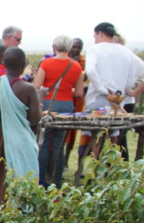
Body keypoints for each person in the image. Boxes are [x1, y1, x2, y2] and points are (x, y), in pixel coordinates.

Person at [0, 47, 41, 208]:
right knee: (15, 177)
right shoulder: (27, 88)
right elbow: (34, 119)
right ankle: (13, 212)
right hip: (19, 141)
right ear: (24, 64)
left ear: (3, 63)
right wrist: (40, 99)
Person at [82, 23, 144, 158]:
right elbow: (130, 81)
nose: (95, 39)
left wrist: (102, 88)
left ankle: (97, 173)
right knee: (113, 137)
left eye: (95, 36)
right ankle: (112, 171)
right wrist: (122, 89)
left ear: (101, 33)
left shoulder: (95, 49)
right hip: (117, 101)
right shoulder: (126, 51)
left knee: (96, 135)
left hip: (97, 98)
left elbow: (90, 70)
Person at [33, 35, 84, 188]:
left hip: (48, 104)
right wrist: (67, 88)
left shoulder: (46, 63)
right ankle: (57, 180)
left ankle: (41, 179)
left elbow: (37, 86)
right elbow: (79, 92)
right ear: (69, 48)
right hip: (67, 106)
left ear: (54, 46)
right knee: (59, 144)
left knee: (44, 141)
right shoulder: (76, 66)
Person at [65, 38, 86, 162]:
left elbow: (85, 78)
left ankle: (67, 159)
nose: (76, 50)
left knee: (73, 131)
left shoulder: (83, 61)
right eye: (74, 47)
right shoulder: (65, 59)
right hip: (65, 97)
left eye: (79, 48)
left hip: (77, 100)